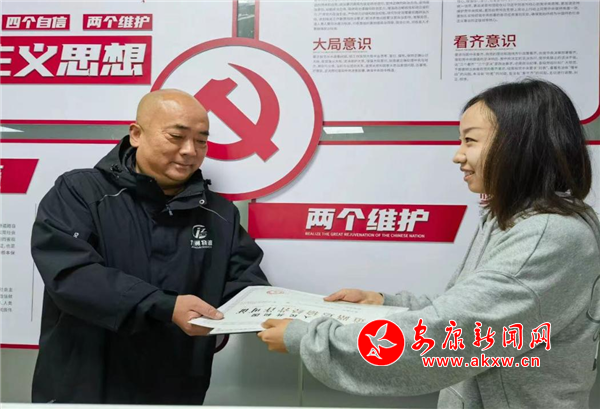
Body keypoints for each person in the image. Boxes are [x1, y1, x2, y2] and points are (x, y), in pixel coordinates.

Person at [258, 79, 600, 408]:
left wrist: (310, 339)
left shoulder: (546, 236)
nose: (458, 156)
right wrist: (384, 303)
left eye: (470, 141)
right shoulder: (514, 220)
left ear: (518, 144)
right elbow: (467, 309)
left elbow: (447, 334)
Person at [31, 89, 269, 404]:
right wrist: (163, 306)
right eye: (176, 137)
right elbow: (71, 274)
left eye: (201, 141)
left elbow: (245, 285)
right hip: (85, 385)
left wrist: (290, 313)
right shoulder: (80, 192)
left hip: (175, 388)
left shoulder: (219, 213)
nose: (190, 151)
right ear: (136, 134)